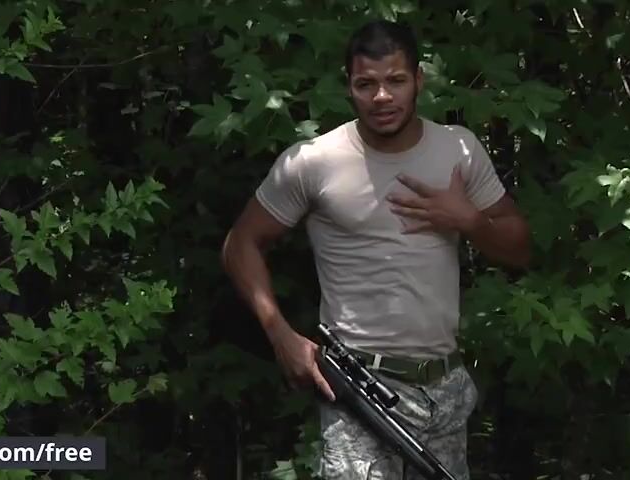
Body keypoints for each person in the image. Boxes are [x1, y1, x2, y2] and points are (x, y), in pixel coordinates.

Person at [221, 19, 531, 480]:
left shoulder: (458, 150)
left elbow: (519, 249)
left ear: (418, 80)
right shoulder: (315, 161)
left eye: (396, 80)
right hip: (360, 393)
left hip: (444, 392)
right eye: (366, 84)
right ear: (349, 85)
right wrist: (281, 335)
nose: (382, 96)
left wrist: (467, 220)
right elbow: (240, 245)